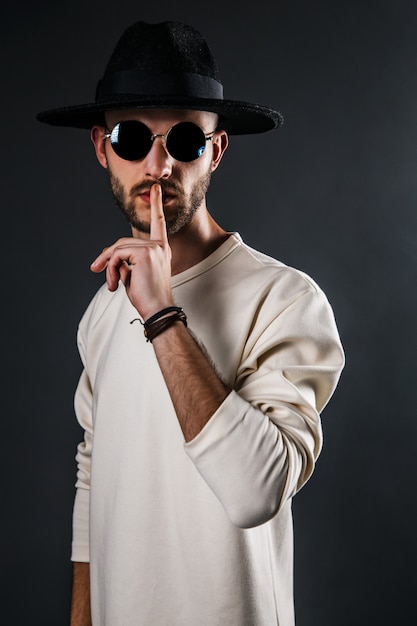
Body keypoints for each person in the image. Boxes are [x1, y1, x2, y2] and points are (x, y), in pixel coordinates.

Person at [37, 20, 344, 626]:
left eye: (183, 139)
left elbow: (258, 492)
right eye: (132, 138)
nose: (158, 165)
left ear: (216, 149)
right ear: (101, 147)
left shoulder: (285, 300)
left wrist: (162, 316)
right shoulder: (102, 310)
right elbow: (94, 475)